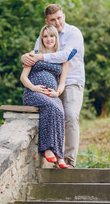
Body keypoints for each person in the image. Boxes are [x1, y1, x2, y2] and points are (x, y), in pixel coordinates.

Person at [21, 4, 85, 169]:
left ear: (64, 15)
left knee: (70, 115)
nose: (56, 22)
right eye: (52, 20)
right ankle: (53, 155)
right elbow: (33, 56)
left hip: (71, 81)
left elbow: (66, 55)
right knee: (53, 112)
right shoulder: (44, 34)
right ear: (47, 20)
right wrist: (25, 57)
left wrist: (38, 56)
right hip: (48, 84)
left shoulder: (74, 33)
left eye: (59, 18)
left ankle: (69, 161)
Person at [20, 24, 69, 169]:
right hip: (33, 93)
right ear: (41, 38)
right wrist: (34, 87)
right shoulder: (34, 54)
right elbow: (23, 77)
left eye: (52, 36)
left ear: (56, 38)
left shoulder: (62, 58)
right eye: (45, 36)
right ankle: (47, 149)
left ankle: (60, 156)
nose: (49, 39)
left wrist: (57, 93)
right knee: (51, 106)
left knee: (60, 111)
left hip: (52, 95)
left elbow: (62, 83)